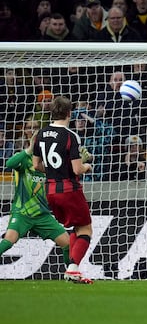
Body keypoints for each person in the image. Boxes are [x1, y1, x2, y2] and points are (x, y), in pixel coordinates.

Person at [32, 96, 94, 284]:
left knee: (76, 227)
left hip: (50, 191)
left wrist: (54, 170)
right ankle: (73, 269)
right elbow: (77, 169)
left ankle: (71, 268)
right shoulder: (70, 136)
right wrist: (87, 165)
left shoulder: (40, 134)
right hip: (69, 190)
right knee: (85, 229)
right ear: (69, 113)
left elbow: (36, 166)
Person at [0, 131, 71, 275]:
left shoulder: (52, 164)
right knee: (9, 239)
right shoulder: (25, 160)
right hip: (22, 213)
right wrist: (29, 149)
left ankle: (71, 273)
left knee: (68, 243)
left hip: (42, 215)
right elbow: (9, 163)